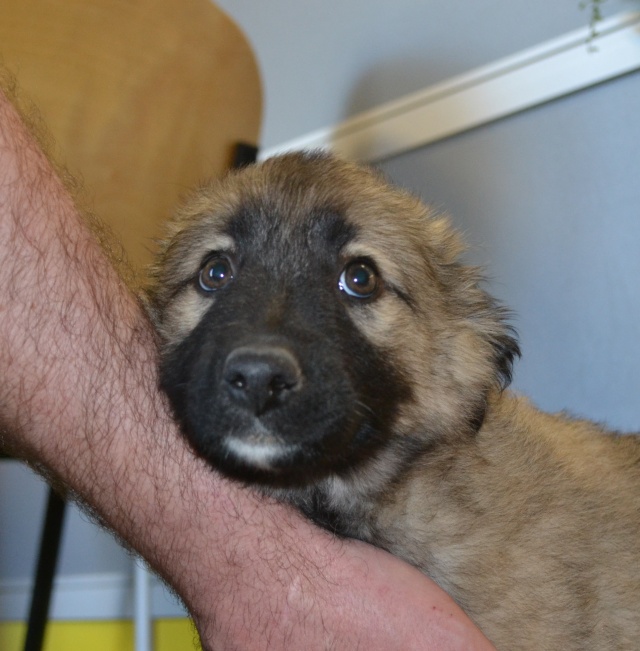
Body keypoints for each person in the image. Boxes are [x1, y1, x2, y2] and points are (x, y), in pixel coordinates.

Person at [0, 79, 496, 651]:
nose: (261, 366)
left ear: (464, 346)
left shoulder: (512, 566)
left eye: (359, 280)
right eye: (216, 273)